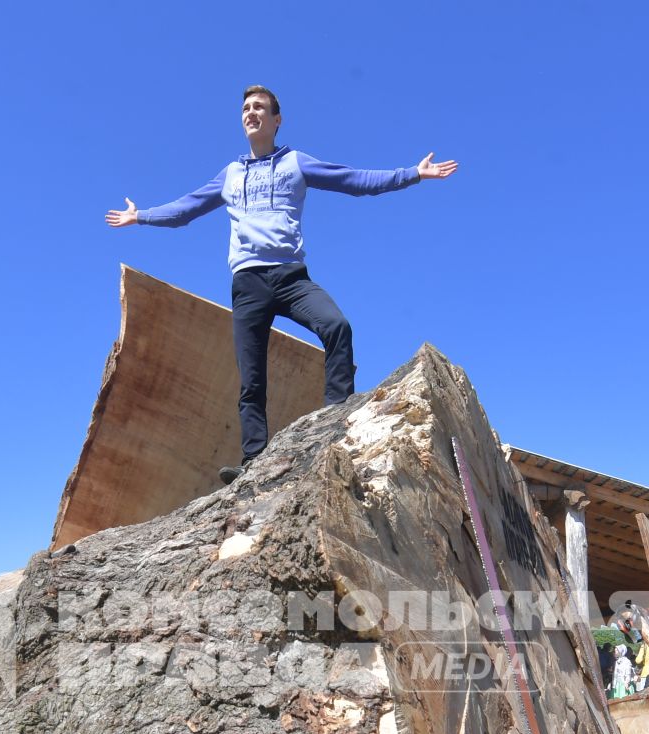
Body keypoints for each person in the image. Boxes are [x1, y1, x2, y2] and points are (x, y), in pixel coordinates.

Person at [107, 86, 458, 484]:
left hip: (291, 277)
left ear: (276, 120)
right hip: (248, 283)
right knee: (252, 377)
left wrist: (411, 174)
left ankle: (334, 423)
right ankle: (254, 461)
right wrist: (142, 217)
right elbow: (185, 209)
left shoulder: (295, 162)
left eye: (259, 107)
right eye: (245, 108)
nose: (250, 113)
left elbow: (354, 180)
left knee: (337, 327)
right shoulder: (231, 174)